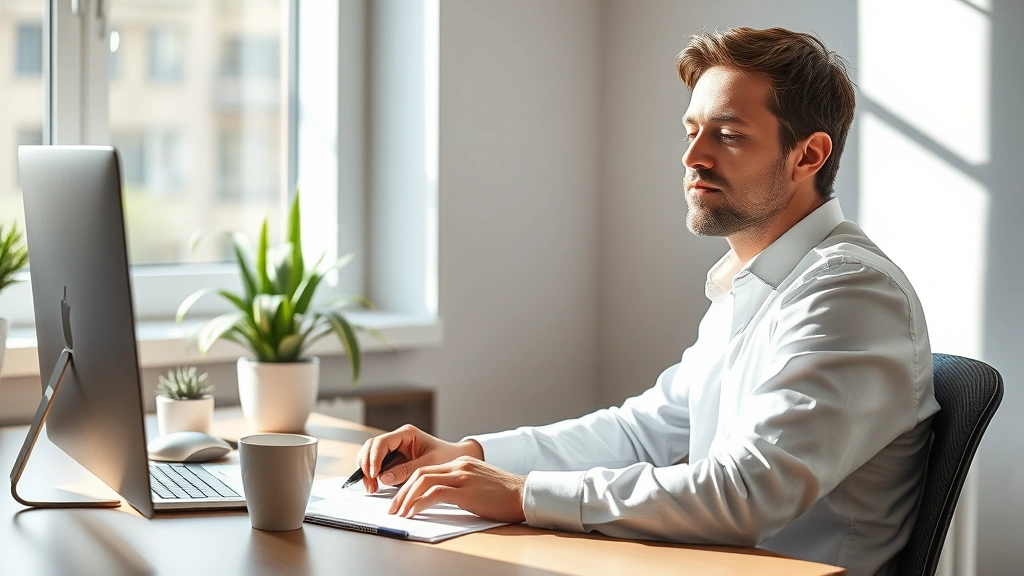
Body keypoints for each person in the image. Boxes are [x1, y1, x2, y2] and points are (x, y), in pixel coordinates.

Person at [356, 27, 938, 576]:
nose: (693, 158)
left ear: (808, 156)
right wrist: (472, 454)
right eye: (693, 131)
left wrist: (523, 495)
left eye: (729, 135)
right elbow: (644, 433)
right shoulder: (755, 283)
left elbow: (747, 494)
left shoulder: (849, 292)